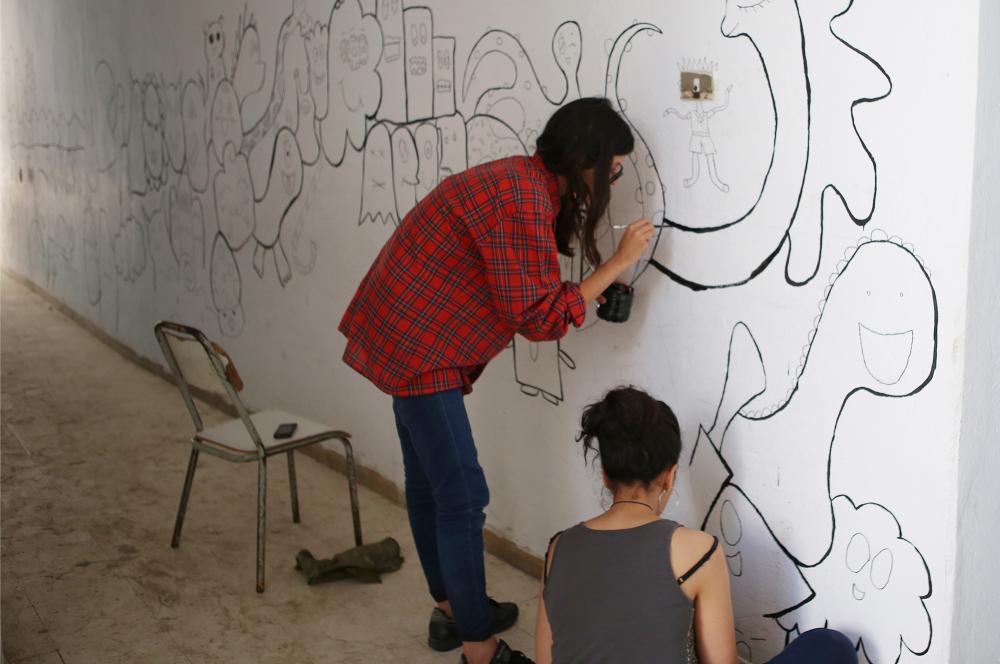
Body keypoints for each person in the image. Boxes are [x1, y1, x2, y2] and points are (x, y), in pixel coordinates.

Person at [339, 97, 655, 664]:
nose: (614, 177)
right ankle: (479, 648)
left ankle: (453, 611)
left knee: (428, 484)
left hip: (408, 327)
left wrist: (585, 290)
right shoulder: (521, 199)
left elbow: (526, 293)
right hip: (421, 344)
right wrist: (617, 263)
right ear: (585, 157)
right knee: (461, 495)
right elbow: (535, 317)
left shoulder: (522, 181)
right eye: (612, 167)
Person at [535, 386, 859, 664]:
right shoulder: (697, 551)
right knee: (829, 646)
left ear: (605, 474)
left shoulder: (558, 548)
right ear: (670, 475)